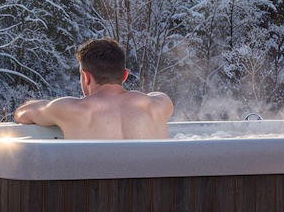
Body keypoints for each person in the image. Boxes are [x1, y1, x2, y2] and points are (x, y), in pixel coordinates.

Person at [14, 37, 174, 140]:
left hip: (93, 192)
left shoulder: (69, 110)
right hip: (154, 192)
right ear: (125, 75)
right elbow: (157, 95)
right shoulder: (160, 105)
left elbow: (22, 114)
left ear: (86, 76)